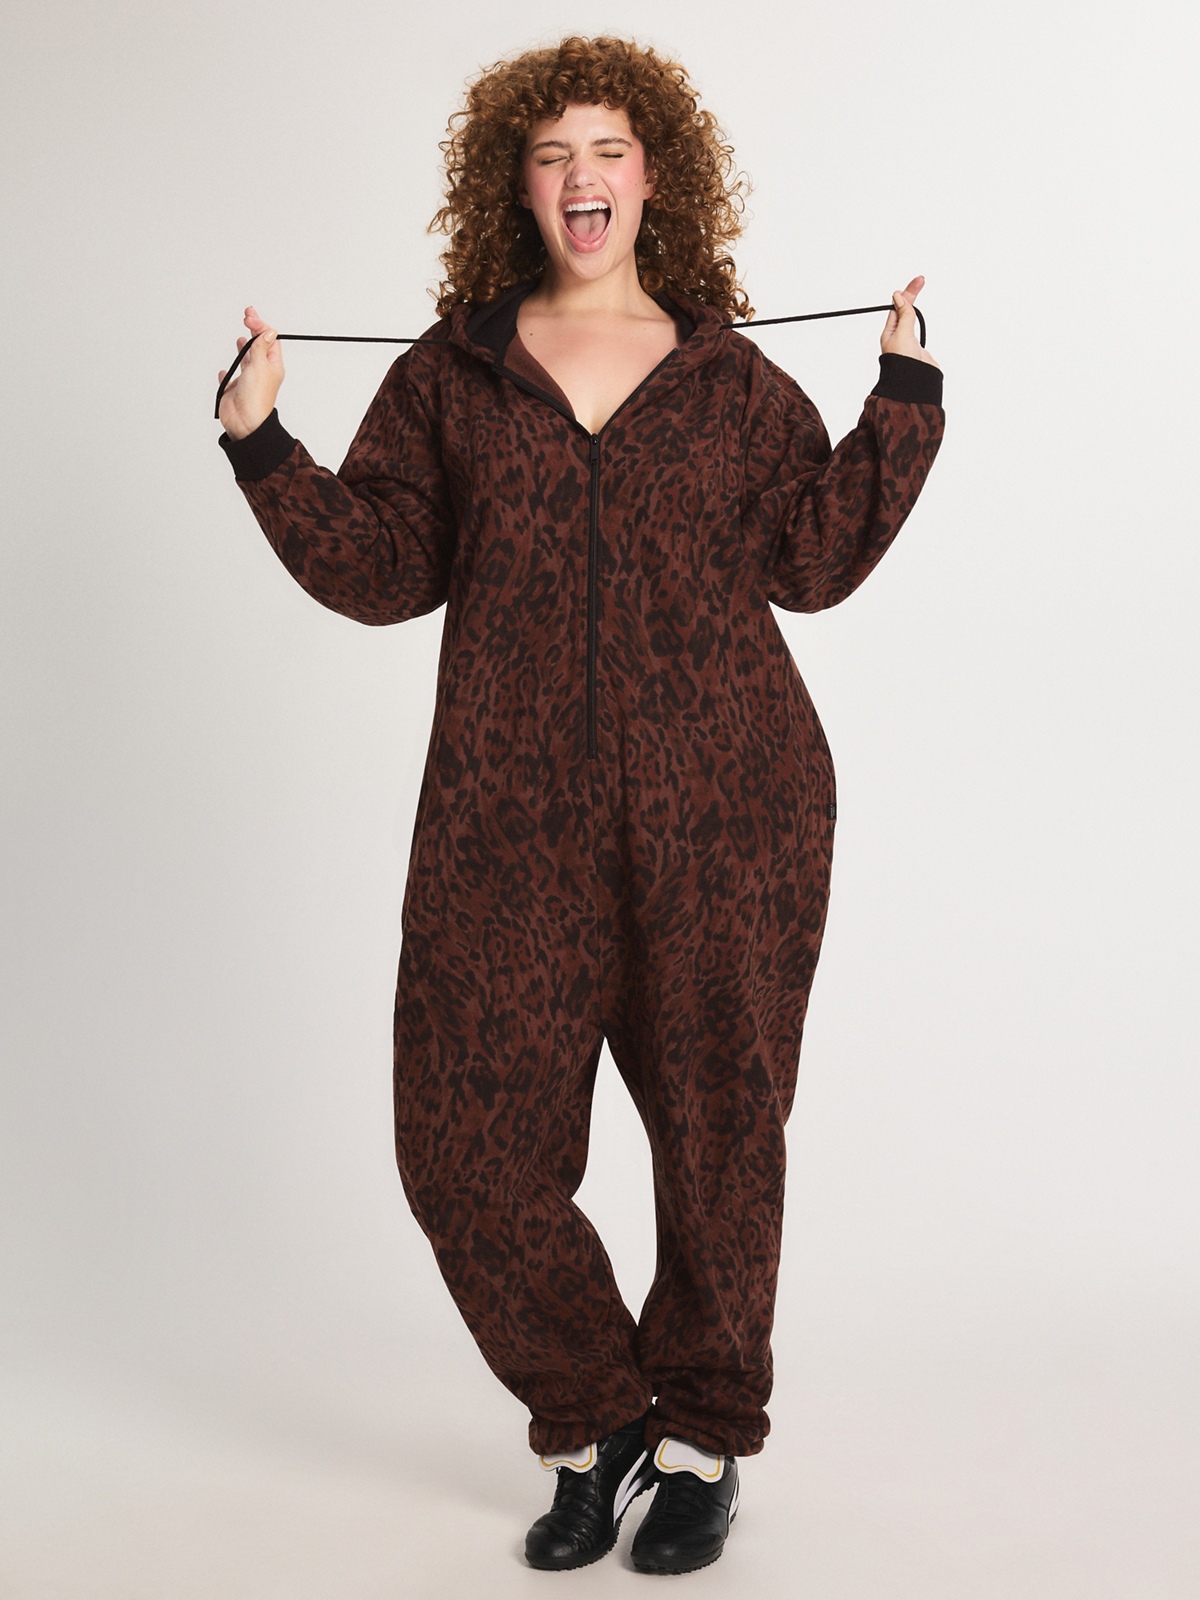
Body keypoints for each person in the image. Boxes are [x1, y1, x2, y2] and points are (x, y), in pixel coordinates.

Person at [215, 34, 944, 1577]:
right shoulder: (450, 377)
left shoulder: (729, 381)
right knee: (463, 1150)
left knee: (718, 1136)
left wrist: (902, 397)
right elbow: (383, 568)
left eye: (607, 149)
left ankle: (703, 1439)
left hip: (732, 808)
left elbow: (810, 559)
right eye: (552, 155)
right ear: (520, 188)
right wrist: (262, 442)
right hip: (506, 820)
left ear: (654, 177)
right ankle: (599, 1415)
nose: (581, 177)